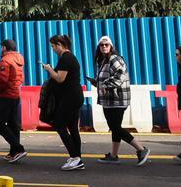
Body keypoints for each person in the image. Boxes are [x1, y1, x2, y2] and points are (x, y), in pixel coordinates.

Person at [89, 36, 150, 165]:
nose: (104, 47)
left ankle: (141, 149)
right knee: (115, 127)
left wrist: (104, 84)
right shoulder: (103, 61)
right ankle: (114, 155)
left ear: (111, 46)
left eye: (106, 44)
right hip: (109, 101)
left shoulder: (114, 59)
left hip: (117, 99)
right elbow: (108, 79)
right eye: (101, 45)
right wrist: (97, 83)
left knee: (115, 127)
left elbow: (120, 76)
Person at [42, 34, 84, 171]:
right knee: (72, 128)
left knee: (59, 124)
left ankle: (75, 157)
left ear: (59, 45)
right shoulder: (70, 57)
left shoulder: (65, 58)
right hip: (75, 96)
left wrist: (49, 69)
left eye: (53, 46)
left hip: (70, 98)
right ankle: (77, 158)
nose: (53, 49)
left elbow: (60, 78)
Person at [0, 38, 25, 163]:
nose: (1, 49)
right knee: (13, 125)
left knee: (0, 124)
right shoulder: (19, 59)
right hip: (15, 95)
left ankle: (19, 149)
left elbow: (3, 80)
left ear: (5, 48)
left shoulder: (5, 60)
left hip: (6, 96)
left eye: (2, 47)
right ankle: (14, 153)